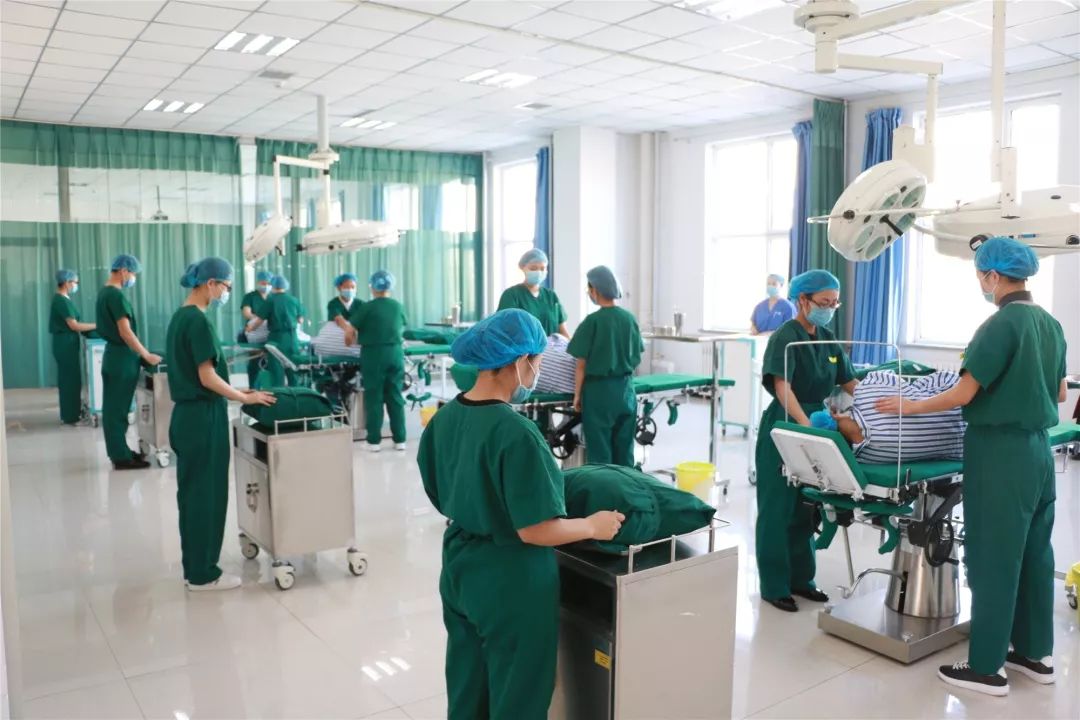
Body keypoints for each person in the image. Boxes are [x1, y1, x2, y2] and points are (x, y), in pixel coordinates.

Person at [875, 237, 1067, 696]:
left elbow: (963, 393)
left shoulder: (1000, 325)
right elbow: (1060, 393)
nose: (981, 282)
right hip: (1039, 451)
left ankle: (986, 667)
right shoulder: (1051, 324)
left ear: (993, 276)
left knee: (994, 558)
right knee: (1035, 555)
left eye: (982, 274)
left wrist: (909, 406)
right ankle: (1034, 655)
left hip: (1000, 454)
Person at [417, 308, 624, 719]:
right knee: (518, 696)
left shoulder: (444, 419)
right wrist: (592, 524)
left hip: (459, 566)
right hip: (510, 579)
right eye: (538, 361)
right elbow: (535, 529)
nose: (538, 370)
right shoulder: (516, 433)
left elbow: (439, 493)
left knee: (468, 686)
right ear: (519, 362)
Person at [167, 258, 275, 592]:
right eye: (226, 287)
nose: (226, 293)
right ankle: (203, 575)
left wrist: (236, 391)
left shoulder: (180, 317)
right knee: (206, 496)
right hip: (203, 418)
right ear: (210, 283)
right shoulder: (198, 321)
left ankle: (194, 568)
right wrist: (244, 397)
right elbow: (207, 376)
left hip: (187, 416)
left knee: (192, 495)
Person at [756, 269, 857, 612]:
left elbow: (849, 381)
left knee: (805, 506)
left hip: (819, 425)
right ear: (803, 300)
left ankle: (802, 580)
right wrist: (805, 424)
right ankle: (774, 585)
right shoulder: (785, 337)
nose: (829, 308)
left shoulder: (827, 338)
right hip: (787, 423)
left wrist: (882, 403)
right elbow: (782, 386)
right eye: (824, 302)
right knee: (778, 507)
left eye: (834, 303)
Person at [567, 266, 644, 467]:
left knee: (600, 453)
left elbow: (580, 365)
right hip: (626, 391)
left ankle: (604, 488)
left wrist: (577, 396)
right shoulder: (629, 319)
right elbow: (637, 357)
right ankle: (626, 485)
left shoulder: (592, 322)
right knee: (625, 449)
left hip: (599, 393)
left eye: (589, 289)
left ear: (595, 290)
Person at [96, 254, 161, 470]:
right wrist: (146, 354)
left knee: (114, 409)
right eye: (132, 273)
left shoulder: (104, 293)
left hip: (114, 357)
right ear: (123, 270)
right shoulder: (115, 296)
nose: (133, 278)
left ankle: (120, 451)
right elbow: (125, 332)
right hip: (122, 359)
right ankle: (120, 457)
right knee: (118, 411)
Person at [813, 370, 966, 462]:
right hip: (962, 403)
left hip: (961, 447)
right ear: (834, 415)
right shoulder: (867, 392)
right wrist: (914, 396)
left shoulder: (868, 458)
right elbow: (893, 379)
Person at [349, 270, 408, 452]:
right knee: (395, 396)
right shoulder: (397, 306)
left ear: (372, 287)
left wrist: (350, 341)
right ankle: (400, 440)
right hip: (395, 354)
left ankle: (374, 441)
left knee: (374, 397)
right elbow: (401, 326)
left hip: (374, 355)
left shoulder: (367, 308)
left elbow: (350, 331)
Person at [49, 269, 96, 425]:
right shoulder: (61, 301)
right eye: (75, 282)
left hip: (66, 343)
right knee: (69, 381)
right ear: (66, 283)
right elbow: (74, 325)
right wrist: (97, 325)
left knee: (71, 379)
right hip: (65, 344)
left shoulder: (64, 299)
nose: (76, 285)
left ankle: (71, 413)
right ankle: (71, 417)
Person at [497, 248, 569, 337]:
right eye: (533, 268)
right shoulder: (511, 295)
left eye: (542, 268)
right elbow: (504, 329)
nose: (538, 272)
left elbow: (563, 332)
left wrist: (570, 345)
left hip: (552, 346)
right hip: (523, 346)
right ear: (522, 268)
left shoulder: (551, 296)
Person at [251, 275, 306, 387]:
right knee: (293, 371)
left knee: (276, 374)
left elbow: (259, 321)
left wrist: (250, 329)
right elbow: (300, 320)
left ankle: (278, 396)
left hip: (276, 340)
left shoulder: (270, 300)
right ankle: (296, 395)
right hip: (292, 339)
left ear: (272, 286)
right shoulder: (294, 300)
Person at [240, 270, 273, 389]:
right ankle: (253, 389)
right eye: (263, 283)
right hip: (255, 332)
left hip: (270, 333)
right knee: (255, 361)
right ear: (258, 282)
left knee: (272, 363)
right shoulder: (250, 297)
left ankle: (270, 389)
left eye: (268, 283)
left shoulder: (272, 298)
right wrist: (260, 319)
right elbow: (246, 313)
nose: (266, 286)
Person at [327, 272, 363, 345]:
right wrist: (350, 331)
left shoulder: (360, 304)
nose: (350, 290)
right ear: (339, 288)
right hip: (335, 340)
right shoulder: (333, 303)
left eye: (353, 287)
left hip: (356, 342)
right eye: (346, 287)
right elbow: (339, 320)